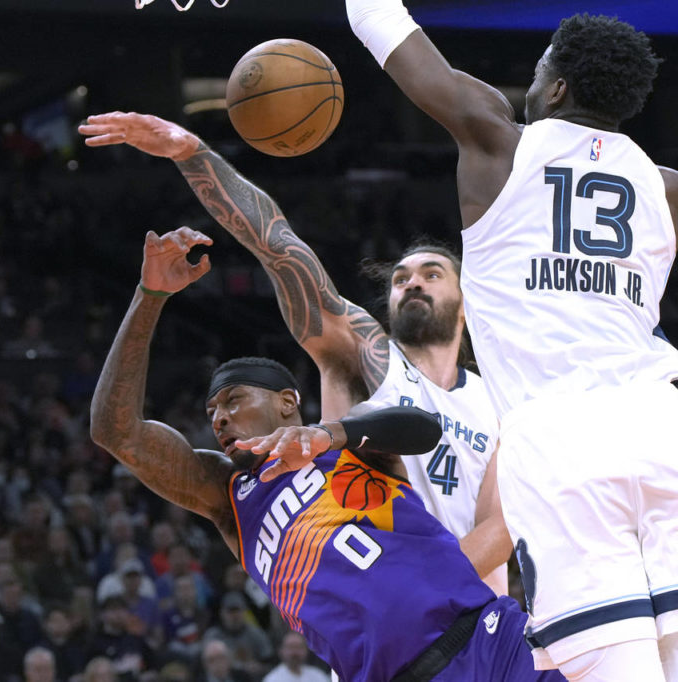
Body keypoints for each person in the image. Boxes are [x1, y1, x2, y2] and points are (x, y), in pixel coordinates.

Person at [343, 6, 678, 681]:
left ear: (555, 88)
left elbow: (375, 17)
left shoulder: (499, 145)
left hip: (557, 439)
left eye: (537, 70)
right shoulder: (666, 187)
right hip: (662, 430)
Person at [88, 227, 566, 681]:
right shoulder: (228, 496)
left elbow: (421, 428)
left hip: (486, 640)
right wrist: (149, 295)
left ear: (286, 403)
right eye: (212, 411)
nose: (220, 419)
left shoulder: (351, 443)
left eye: (234, 400)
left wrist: (331, 435)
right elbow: (115, 431)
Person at [79, 112, 509, 594]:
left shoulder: (498, 399)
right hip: (384, 612)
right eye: (399, 278)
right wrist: (191, 151)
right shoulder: (366, 355)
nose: (411, 282)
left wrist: (438, 592)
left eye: (432, 274)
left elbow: (505, 522)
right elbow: (277, 246)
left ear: (466, 299)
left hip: (477, 611)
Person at [263, 632, 330, 682]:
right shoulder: (272, 679)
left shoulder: (318, 675)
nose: (295, 652)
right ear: (281, 651)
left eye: (299, 647)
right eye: (291, 647)